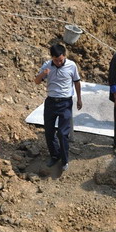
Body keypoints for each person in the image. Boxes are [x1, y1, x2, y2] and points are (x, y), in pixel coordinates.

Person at [35, 43, 82, 171]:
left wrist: (79, 99)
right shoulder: (47, 65)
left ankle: (65, 160)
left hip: (65, 103)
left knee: (62, 133)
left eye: (60, 60)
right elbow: (36, 81)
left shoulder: (71, 65)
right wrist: (43, 74)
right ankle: (54, 156)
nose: (58, 62)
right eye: (55, 60)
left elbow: (77, 82)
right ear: (52, 58)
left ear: (64, 56)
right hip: (51, 102)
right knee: (49, 132)